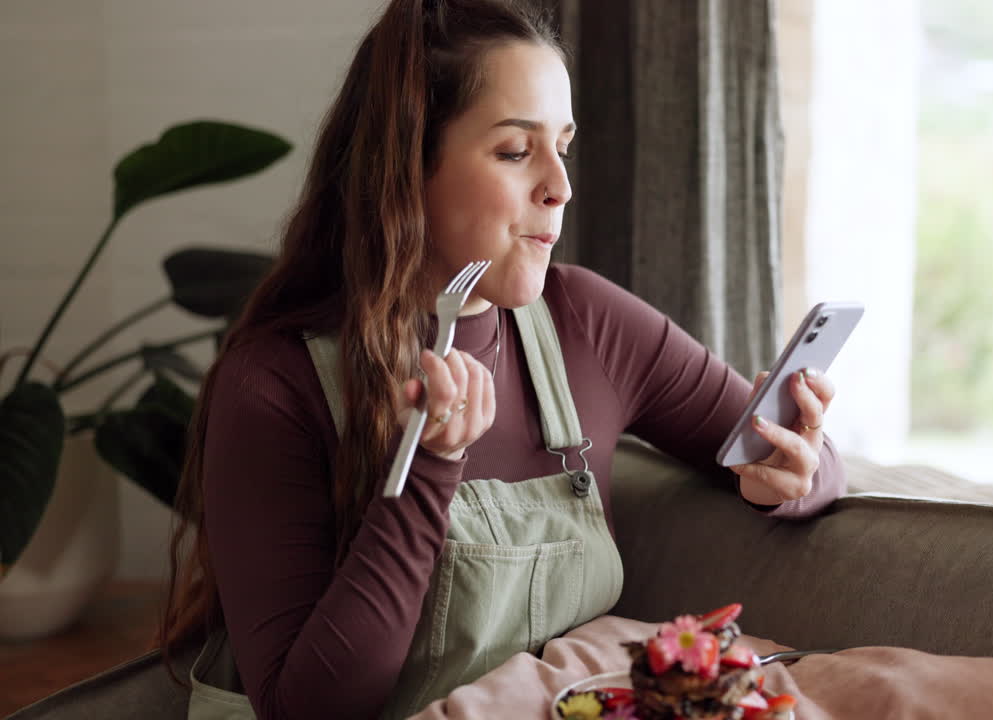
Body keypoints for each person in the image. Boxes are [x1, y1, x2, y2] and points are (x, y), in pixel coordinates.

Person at [158, 1, 845, 718]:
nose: (560, 186)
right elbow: (310, 709)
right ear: (406, 165)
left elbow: (809, 464)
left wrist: (796, 470)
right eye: (516, 151)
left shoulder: (589, 324)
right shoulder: (275, 385)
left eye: (564, 148)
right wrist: (421, 475)